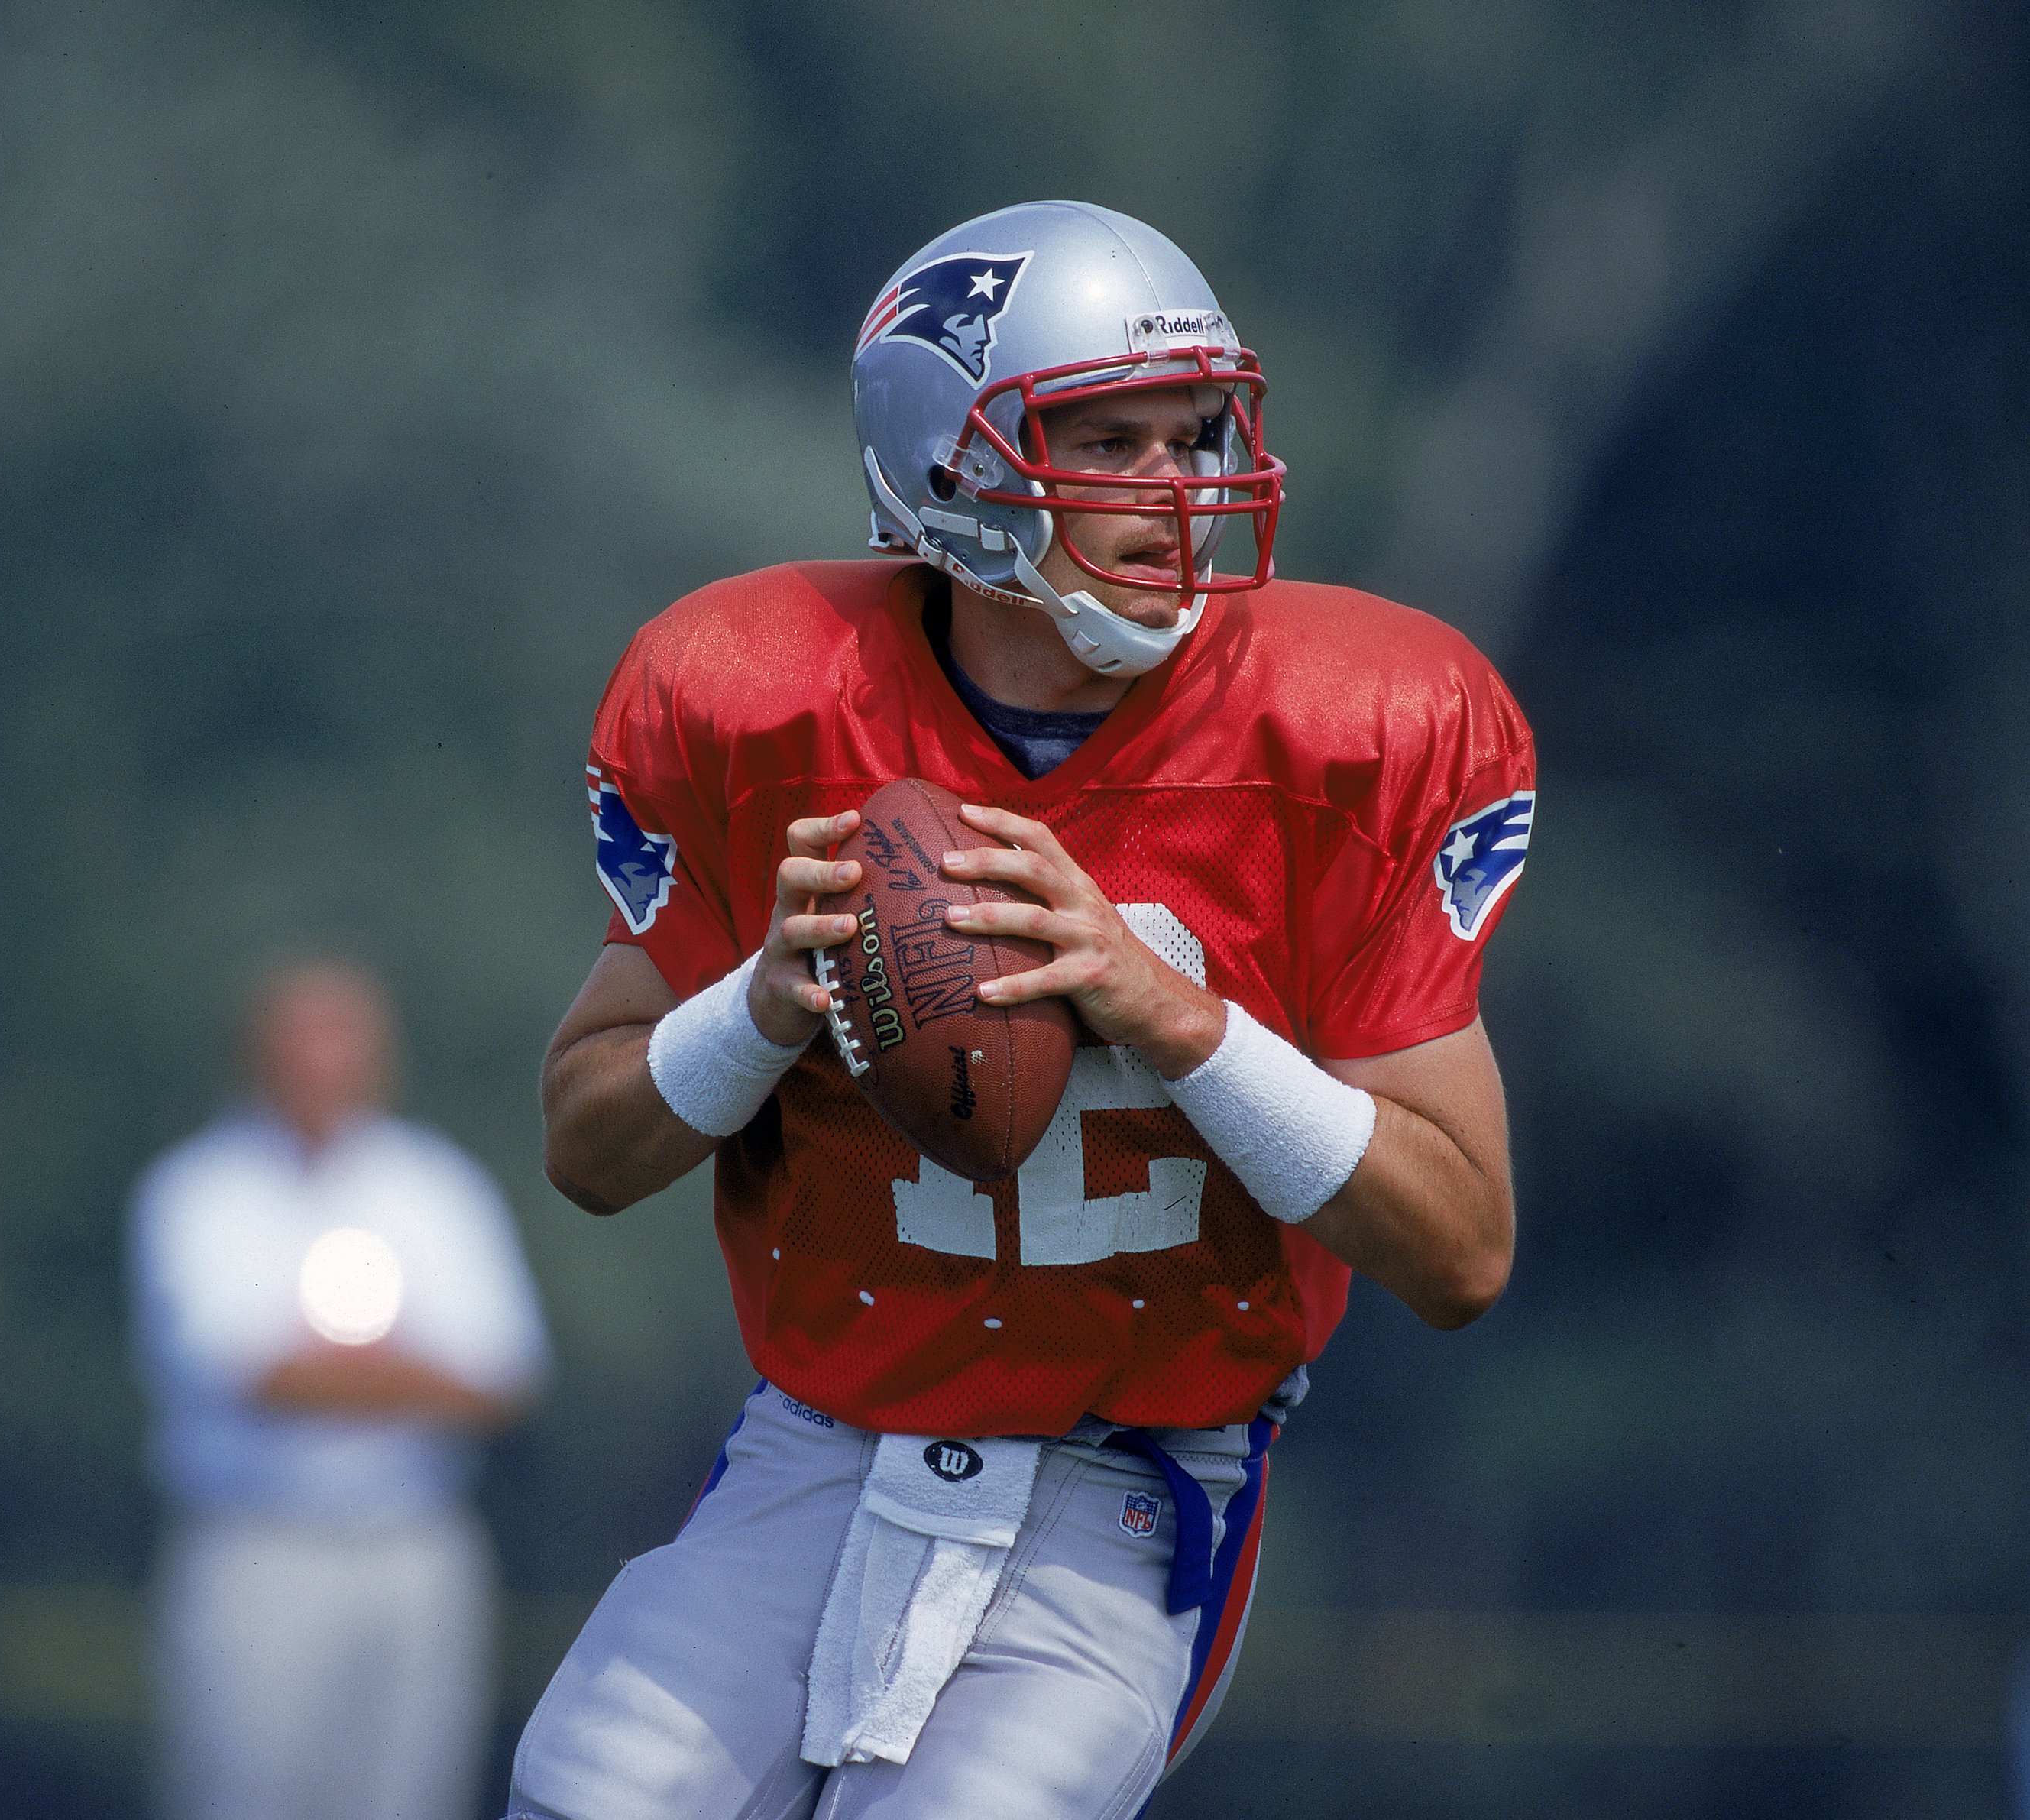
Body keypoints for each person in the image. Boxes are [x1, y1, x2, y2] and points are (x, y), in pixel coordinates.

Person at [510, 200, 1535, 1820]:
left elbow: (1461, 1250)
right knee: (590, 1789)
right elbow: (584, 1146)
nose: (1174, 493)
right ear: (947, 471)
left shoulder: (1356, 726)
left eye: (1193, 435)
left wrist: (1178, 1021)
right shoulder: (755, 700)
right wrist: (757, 1009)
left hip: (1129, 1477)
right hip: (820, 1437)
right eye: (1104, 443)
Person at [133, 960, 550, 1820]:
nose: (323, 1063)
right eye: (303, 1038)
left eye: (343, 1037)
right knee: (242, 1794)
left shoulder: (434, 1186)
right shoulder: (199, 1191)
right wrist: (409, 1373)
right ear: (257, 1053)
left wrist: (330, 1372)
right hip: (260, 1546)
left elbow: (506, 1377)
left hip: (414, 1546)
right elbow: (245, 1373)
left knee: (409, 1796)